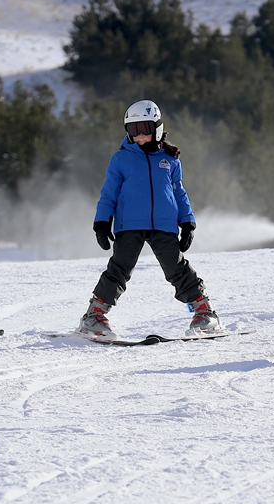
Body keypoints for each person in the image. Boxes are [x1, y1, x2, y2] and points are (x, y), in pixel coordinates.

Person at [78, 100, 223, 340]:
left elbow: (178, 192)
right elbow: (109, 193)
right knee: (119, 269)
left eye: (144, 128)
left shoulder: (170, 160)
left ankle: (203, 312)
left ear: (157, 127)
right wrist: (102, 223)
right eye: (134, 130)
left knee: (176, 268)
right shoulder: (121, 159)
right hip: (129, 225)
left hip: (163, 225)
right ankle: (94, 316)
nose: (140, 135)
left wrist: (187, 222)